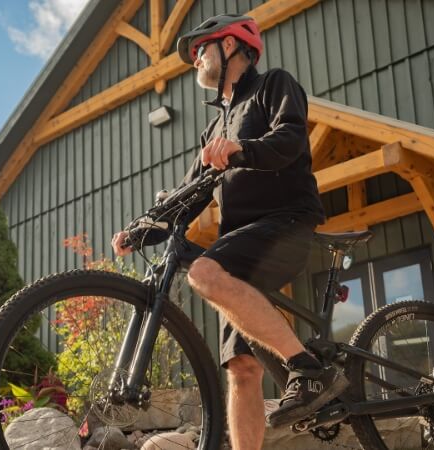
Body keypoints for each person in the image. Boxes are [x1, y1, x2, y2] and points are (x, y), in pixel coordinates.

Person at [111, 14, 349, 450]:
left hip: (286, 223)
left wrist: (241, 148)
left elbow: (291, 139)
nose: (196, 58)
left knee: (203, 273)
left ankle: (309, 368)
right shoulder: (213, 128)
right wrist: (143, 229)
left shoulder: (273, 85)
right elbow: (189, 194)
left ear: (233, 46)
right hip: (240, 242)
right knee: (242, 367)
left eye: (202, 48)